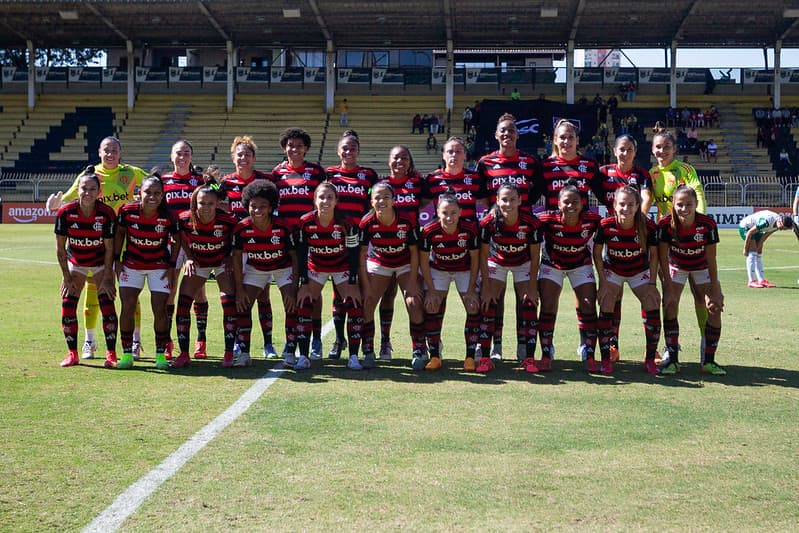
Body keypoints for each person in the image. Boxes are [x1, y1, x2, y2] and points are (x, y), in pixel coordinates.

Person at [47, 136, 149, 361]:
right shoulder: (90, 175)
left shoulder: (132, 173)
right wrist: (57, 202)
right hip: (95, 242)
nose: (110, 154)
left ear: (120, 153)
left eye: (114, 150)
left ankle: (135, 341)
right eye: (106, 150)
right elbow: (72, 194)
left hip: (126, 240)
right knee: (91, 292)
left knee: (129, 293)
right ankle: (89, 342)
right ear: (99, 152)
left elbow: (155, 187)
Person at [533, 119, 607, 358]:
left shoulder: (588, 165)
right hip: (552, 243)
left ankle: (586, 346)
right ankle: (547, 347)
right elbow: (529, 198)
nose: (566, 141)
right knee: (548, 300)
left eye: (570, 137)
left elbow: (605, 196)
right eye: (561, 137)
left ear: (577, 140)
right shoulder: (545, 166)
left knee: (586, 300)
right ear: (555, 140)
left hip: (580, 243)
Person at [477, 113, 541, 361]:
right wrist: (494, 213)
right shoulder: (485, 163)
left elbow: (536, 191)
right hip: (498, 237)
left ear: (517, 134)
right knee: (496, 296)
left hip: (523, 237)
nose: (507, 134)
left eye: (511, 131)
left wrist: (520, 211)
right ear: (496, 135)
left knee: (523, 296)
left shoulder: (529, 161)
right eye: (502, 131)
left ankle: (523, 346)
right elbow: (482, 195)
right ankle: (497, 345)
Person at [649, 123, 710, 362]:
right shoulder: (652, 175)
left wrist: (699, 226)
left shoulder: (685, 169)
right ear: (652, 150)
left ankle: (707, 343)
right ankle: (670, 347)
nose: (662, 151)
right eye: (658, 147)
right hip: (670, 244)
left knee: (700, 296)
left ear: (674, 149)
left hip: (693, 240)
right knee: (670, 298)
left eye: (666, 147)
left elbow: (699, 195)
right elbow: (647, 201)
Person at [170, 177, 239, 369]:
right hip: (199, 262)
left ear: (218, 203)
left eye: (210, 203)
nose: (206, 207)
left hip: (221, 263)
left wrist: (229, 256)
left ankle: (228, 353)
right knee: (183, 303)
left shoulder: (228, 221)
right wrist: (190, 256)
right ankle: (184, 354)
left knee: (228, 302)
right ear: (194, 203)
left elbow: (238, 241)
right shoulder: (184, 219)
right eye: (202, 203)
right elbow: (181, 239)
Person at [657, 186, 726, 376]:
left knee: (714, 307)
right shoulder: (664, 224)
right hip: (676, 266)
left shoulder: (707, 224)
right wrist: (667, 285)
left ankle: (708, 361)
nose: (684, 208)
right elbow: (662, 259)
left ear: (696, 204)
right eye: (680, 204)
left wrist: (714, 289)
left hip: (701, 266)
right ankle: (672, 360)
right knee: (669, 303)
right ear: (673, 204)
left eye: (689, 204)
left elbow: (711, 259)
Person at [270, 127, 327, 359]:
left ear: (306, 149)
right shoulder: (276, 173)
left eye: (299, 146)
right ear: (285, 148)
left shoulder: (316, 172)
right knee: (290, 291)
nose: (295, 149)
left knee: (313, 289)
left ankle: (315, 339)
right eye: (290, 145)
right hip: (287, 240)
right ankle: (290, 339)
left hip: (311, 238)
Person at [54, 167, 119, 369]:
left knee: (107, 302)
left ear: (99, 192)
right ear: (78, 189)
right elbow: (60, 249)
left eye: (92, 189)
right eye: (84, 188)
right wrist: (66, 277)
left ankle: (111, 354)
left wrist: (108, 275)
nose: (88, 193)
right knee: (68, 303)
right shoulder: (65, 212)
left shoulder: (106, 213)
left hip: (101, 263)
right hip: (76, 263)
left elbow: (110, 248)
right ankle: (72, 353)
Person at [115, 172, 180, 370]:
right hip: (132, 265)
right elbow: (119, 234)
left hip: (158, 267)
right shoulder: (127, 211)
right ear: (138, 193)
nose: (152, 197)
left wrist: (171, 265)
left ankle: (160, 354)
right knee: (127, 306)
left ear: (163, 195)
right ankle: (127, 354)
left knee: (159, 309)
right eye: (148, 192)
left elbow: (177, 240)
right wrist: (116, 261)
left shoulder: (168, 215)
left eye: (157, 193)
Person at [597, 134, 655, 359]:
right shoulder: (604, 172)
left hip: (635, 234)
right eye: (621, 149)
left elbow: (647, 196)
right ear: (614, 151)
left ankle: (652, 348)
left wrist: (636, 220)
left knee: (647, 296)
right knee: (614, 296)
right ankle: (613, 345)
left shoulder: (641, 174)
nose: (625, 153)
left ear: (635, 151)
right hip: (613, 237)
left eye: (629, 149)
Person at [593, 186, 661, 375]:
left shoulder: (647, 226)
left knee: (652, 301)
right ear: (614, 205)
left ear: (638, 205)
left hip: (639, 271)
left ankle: (650, 359)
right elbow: (597, 253)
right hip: (613, 270)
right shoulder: (606, 225)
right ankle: (606, 358)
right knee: (607, 300)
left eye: (631, 204)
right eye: (622, 204)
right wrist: (603, 282)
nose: (626, 208)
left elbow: (654, 256)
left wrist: (652, 284)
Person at [219, 136, 276, 359]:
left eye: (247, 154)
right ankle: (238, 343)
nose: (243, 158)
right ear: (233, 157)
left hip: (261, 244)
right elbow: (220, 207)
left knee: (263, 294)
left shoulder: (264, 180)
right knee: (239, 296)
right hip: (237, 247)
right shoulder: (226, 183)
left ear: (254, 158)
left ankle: (268, 343)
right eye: (239, 154)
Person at [295, 182, 363, 370]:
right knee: (304, 303)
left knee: (354, 304)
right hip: (316, 267)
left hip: (341, 267)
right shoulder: (305, 222)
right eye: (321, 197)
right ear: (314, 200)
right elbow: (301, 253)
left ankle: (354, 357)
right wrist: (304, 282)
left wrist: (352, 282)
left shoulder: (346, 223)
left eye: (330, 197)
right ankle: (303, 356)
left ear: (336, 201)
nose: (325, 201)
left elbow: (354, 253)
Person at [358, 182, 425, 370]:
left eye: (386, 197)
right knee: (368, 301)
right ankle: (368, 350)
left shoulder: (407, 220)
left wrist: (412, 282)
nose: (382, 201)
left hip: (404, 262)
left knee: (413, 301)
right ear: (371, 202)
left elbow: (414, 253)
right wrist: (367, 284)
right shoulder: (367, 222)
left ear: (394, 200)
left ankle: (418, 349)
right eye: (377, 197)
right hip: (380, 262)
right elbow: (362, 255)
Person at [232, 180, 298, 368]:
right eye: (253, 206)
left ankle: (290, 352)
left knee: (291, 305)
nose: (257, 210)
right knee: (243, 305)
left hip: (282, 267)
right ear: (246, 206)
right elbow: (236, 258)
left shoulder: (283, 227)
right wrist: (240, 288)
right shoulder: (242, 228)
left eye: (263, 206)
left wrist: (293, 288)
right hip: (256, 269)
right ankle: (244, 353)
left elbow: (294, 257)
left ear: (271, 207)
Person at [536, 182, 602, 372]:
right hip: (552, 265)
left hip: (580, 265)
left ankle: (589, 353)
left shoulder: (593, 220)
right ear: (558, 204)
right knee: (548, 303)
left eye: (575, 202)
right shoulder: (546, 219)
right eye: (566, 202)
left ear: (582, 203)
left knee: (589, 303)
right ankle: (546, 352)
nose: (571, 206)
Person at [325, 130, 379, 359]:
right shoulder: (329, 175)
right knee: (338, 292)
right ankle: (339, 340)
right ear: (338, 151)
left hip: (360, 241)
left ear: (358, 151)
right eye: (344, 148)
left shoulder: (368, 175)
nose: (348, 152)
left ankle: (369, 343)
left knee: (358, 291)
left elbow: (376, 201)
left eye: (352, 148)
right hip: (336, 240)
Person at [477, 184, 541, 374]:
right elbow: (482, 256)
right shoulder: (488, 222)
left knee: (529, 303)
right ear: (497, 200)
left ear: (520, 200)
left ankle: (528, 356)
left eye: (513, 199)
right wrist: (486, 287)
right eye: (504, 199)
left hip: (523, 263)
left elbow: (535, 256)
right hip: (497, 261)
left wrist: (532, 286)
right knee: (489, 302)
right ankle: (486, 357)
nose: (508, 203)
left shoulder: (531, 223)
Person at [419, 192, 480, 371]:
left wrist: (470, 290)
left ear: (460, 212)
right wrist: (430, 290)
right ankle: (435, 356)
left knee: (473, 305)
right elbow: (424, 262)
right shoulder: (429, 230)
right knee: (431, 305)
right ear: (438, 212)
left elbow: (475, 259)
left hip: (464, 270)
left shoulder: (470, 229)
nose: (449, 217)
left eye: (453, 213)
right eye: (445, 212)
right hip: (439, 270)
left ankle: (470, 356)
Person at [161, 139, 206, 361]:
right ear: (171, 156)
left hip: (195, 243)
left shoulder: (200, 180)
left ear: (191, 156)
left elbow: (219, 193)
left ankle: (201, 340)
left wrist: (213, 182)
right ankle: (168, 341)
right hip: (170, 242)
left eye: (186, 153)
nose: (182, 157)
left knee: (198, 291)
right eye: (178, 153)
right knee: (170, 291)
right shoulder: (163, 180)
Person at [380, 145, 424, 360]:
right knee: (387, 295)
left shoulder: (417, 183)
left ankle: (420, 345)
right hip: (385, 250)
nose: (400, 162)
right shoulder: (381, 185)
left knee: (414, 298)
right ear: (389, 161)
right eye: (396, 158)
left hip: (410, 250)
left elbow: (427, 208)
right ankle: (385, 342)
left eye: (404, 158)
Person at [422, 136, 485, 222]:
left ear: (465, 155)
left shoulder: (475, 178)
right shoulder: (432, 178)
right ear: (444, 155)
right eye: (450, 152)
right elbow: (421, 205)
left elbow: (486, 203)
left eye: (458, 152)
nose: (454, 155)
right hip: (442, 231)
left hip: (470, 231)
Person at [738, 210, 793, 288]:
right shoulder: (766, 221)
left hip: (757, 230)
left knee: (759, 252)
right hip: (746, 227)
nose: (782, 229)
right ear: (780, 222)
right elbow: (750, 232)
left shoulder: (778, 225)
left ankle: (761, 280)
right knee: (752, 252)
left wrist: (759, 246)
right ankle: (751, 281)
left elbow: (765, 235)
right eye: (783, 228)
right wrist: (745, 249)